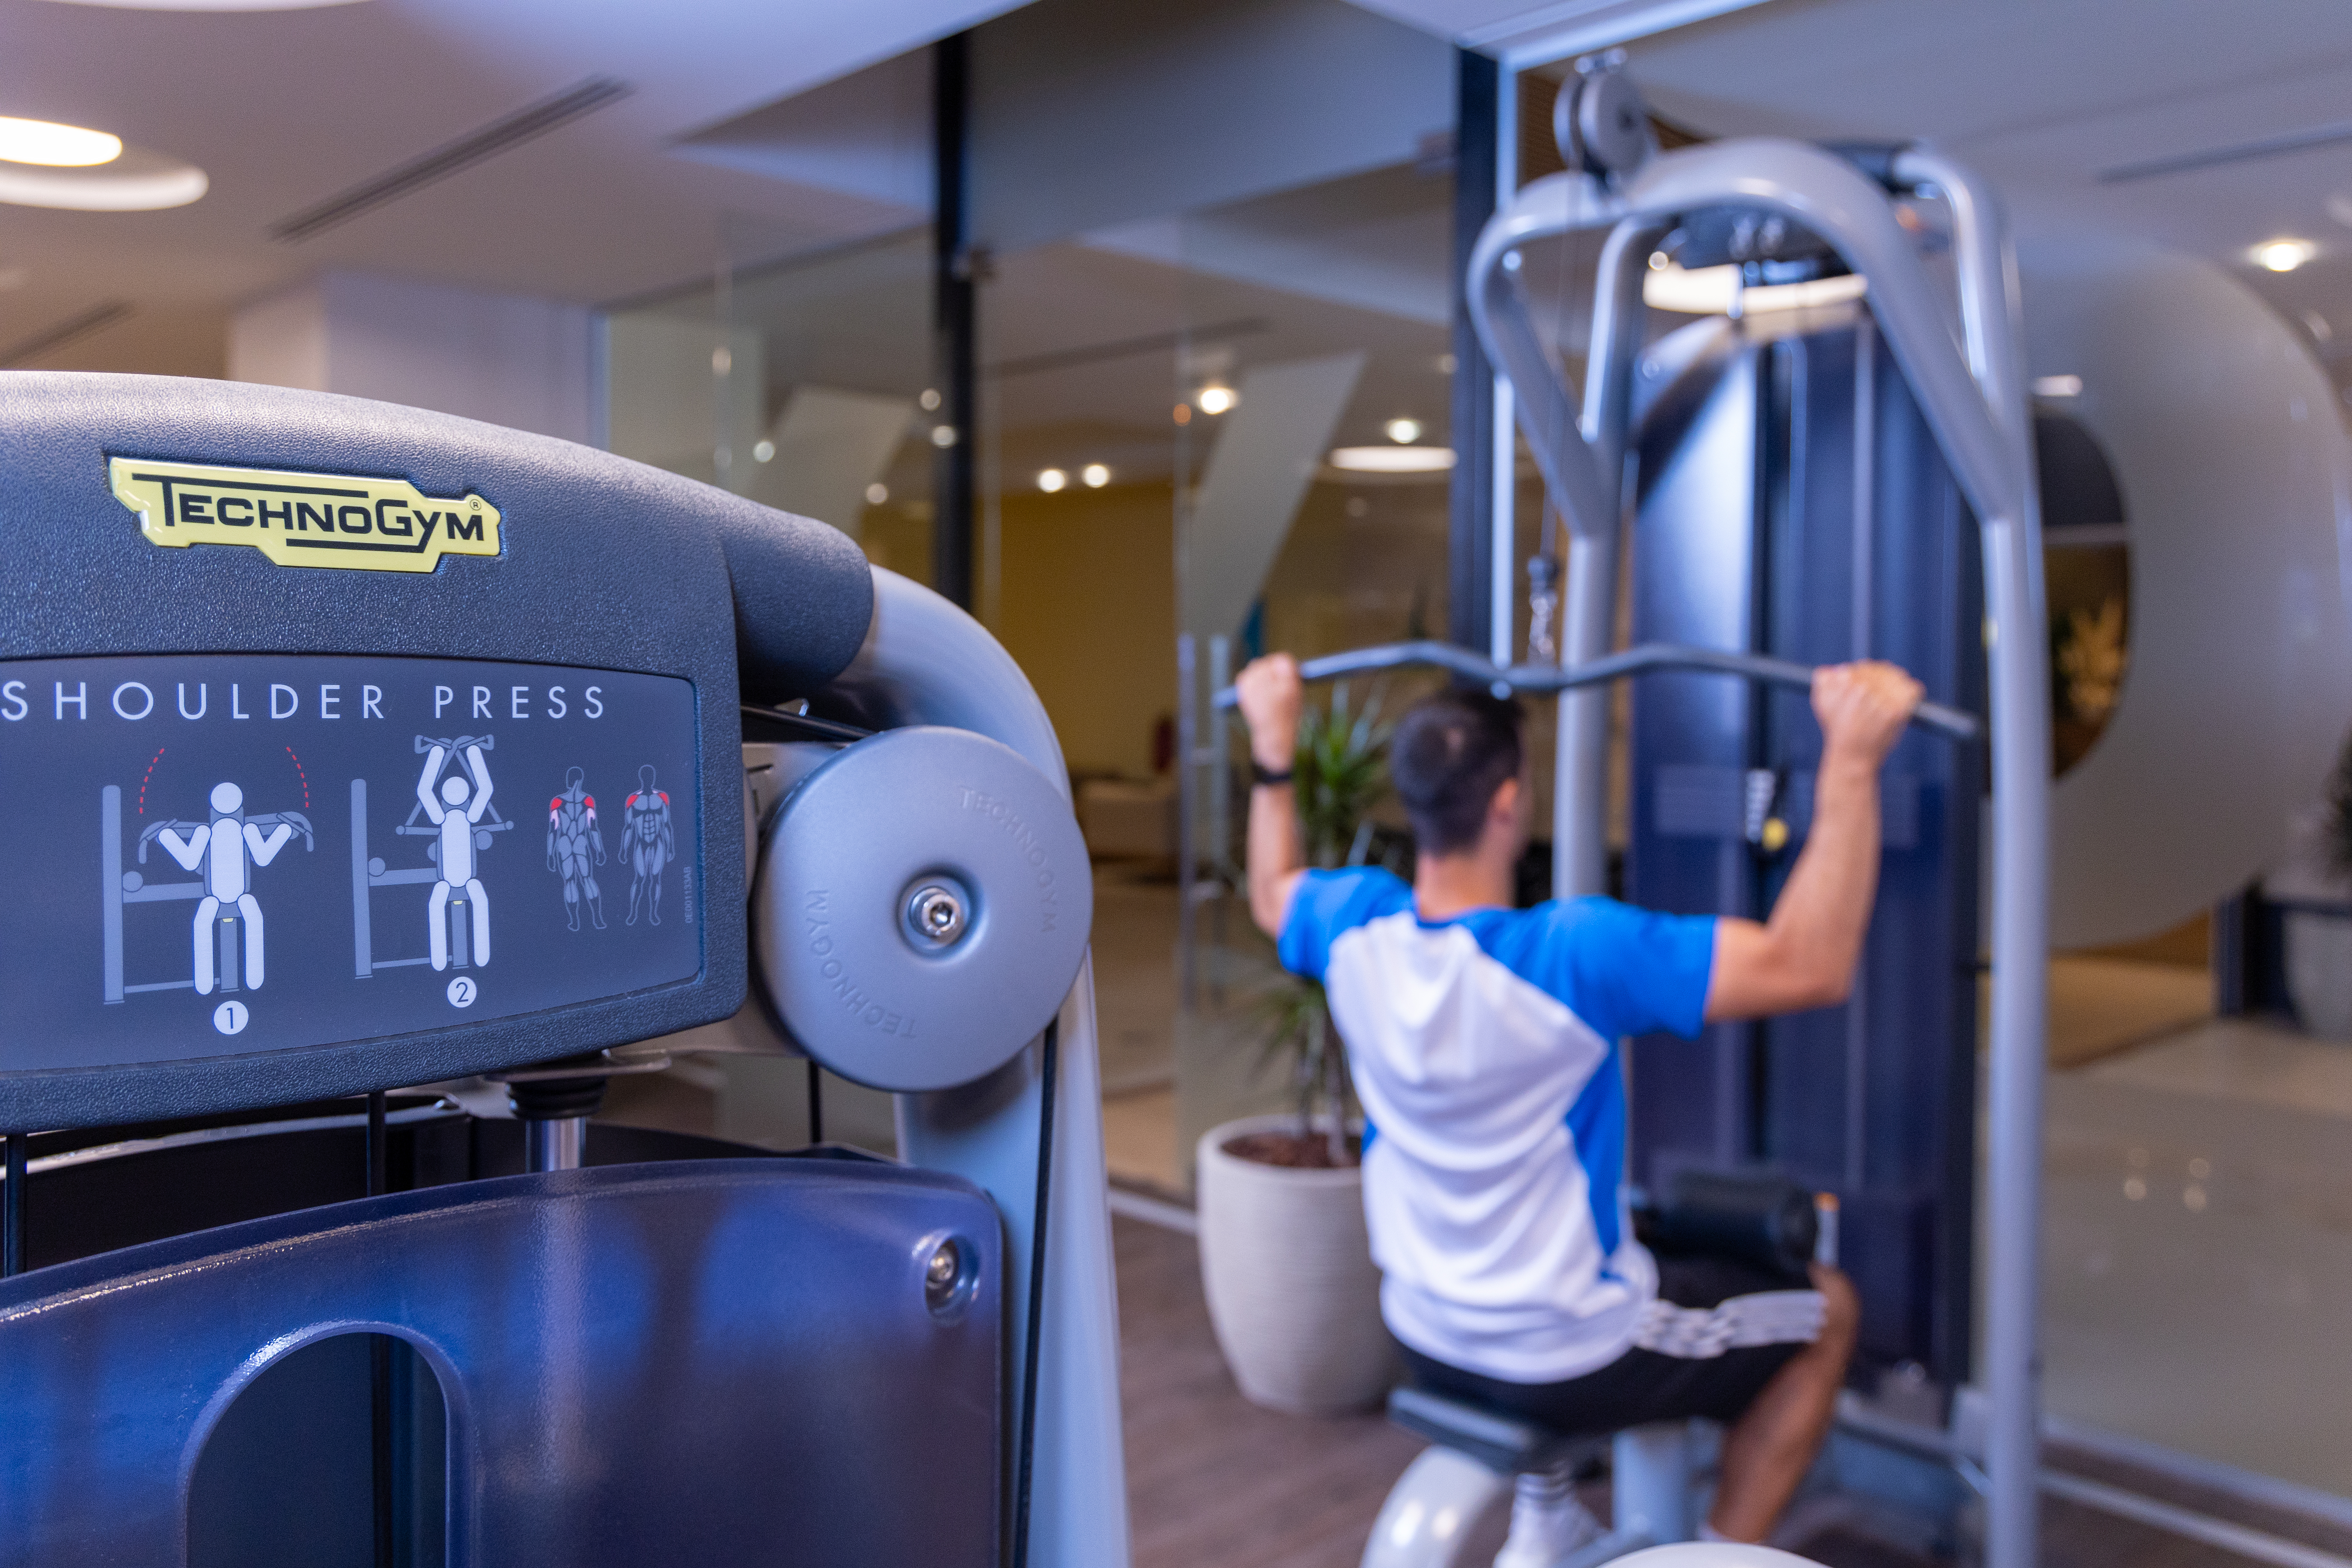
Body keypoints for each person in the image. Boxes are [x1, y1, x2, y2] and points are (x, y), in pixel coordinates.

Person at [1233, 653, 1923, 1559]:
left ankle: (1553, 1514)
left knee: (1636, 1242)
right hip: (1569, 1350)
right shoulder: (1570, 953)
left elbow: (1268, 887)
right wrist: (1854, 760)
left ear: (1413, 804)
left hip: (1425, 1328)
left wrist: (1274, 748)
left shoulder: (1354, 928)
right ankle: (1712, 1556)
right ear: (1509, 801)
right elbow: (1811, 961)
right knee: (1826, 1311)